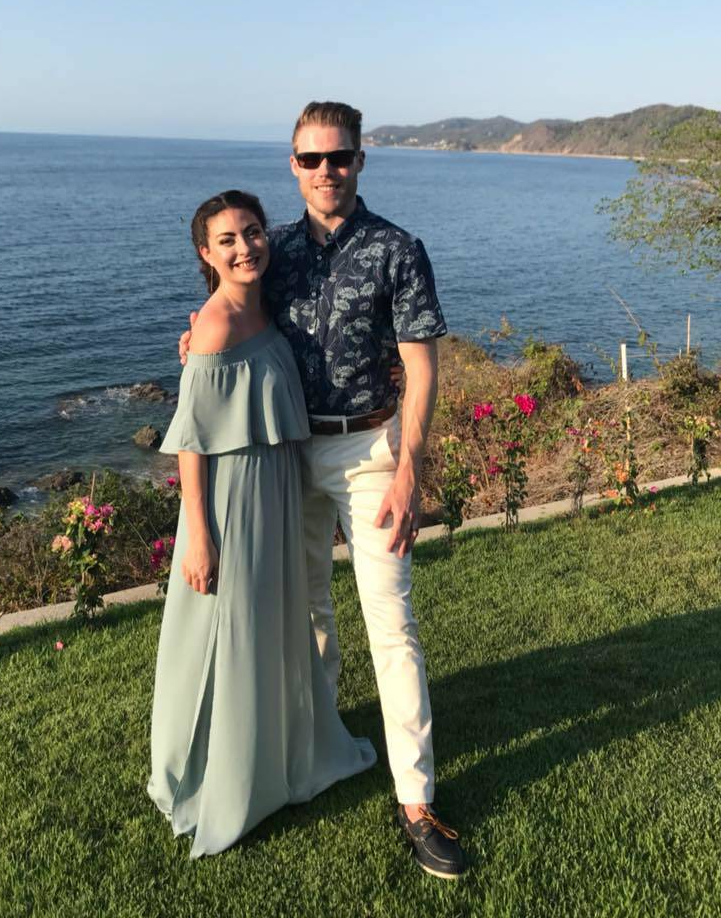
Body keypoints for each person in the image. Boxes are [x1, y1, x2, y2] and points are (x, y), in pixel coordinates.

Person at [179, 102, 466, 879]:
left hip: (371, 452)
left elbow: (423, 367)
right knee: (303, 614)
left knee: (391, 624)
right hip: (287, 453)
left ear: (360, 160)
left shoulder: (397, 250)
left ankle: (416, 801)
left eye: (339, 156)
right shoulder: (273, 251)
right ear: (294, 165)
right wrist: (196, 340)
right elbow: (233, 313)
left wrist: (410, 469)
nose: (326, 170)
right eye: (311, 159)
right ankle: (314, 748)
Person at [148, 189, 376, 859]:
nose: (245, 247)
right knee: (229, 631)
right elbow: (191, 442)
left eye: (252, 232)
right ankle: (224, 773)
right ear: (205, 253)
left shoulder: (266, 305)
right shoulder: (216, 327)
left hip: (276, 487)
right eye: (227, 239)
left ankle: (277, 749)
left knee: (273, 624)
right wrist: (199, 534)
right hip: (230, 501)